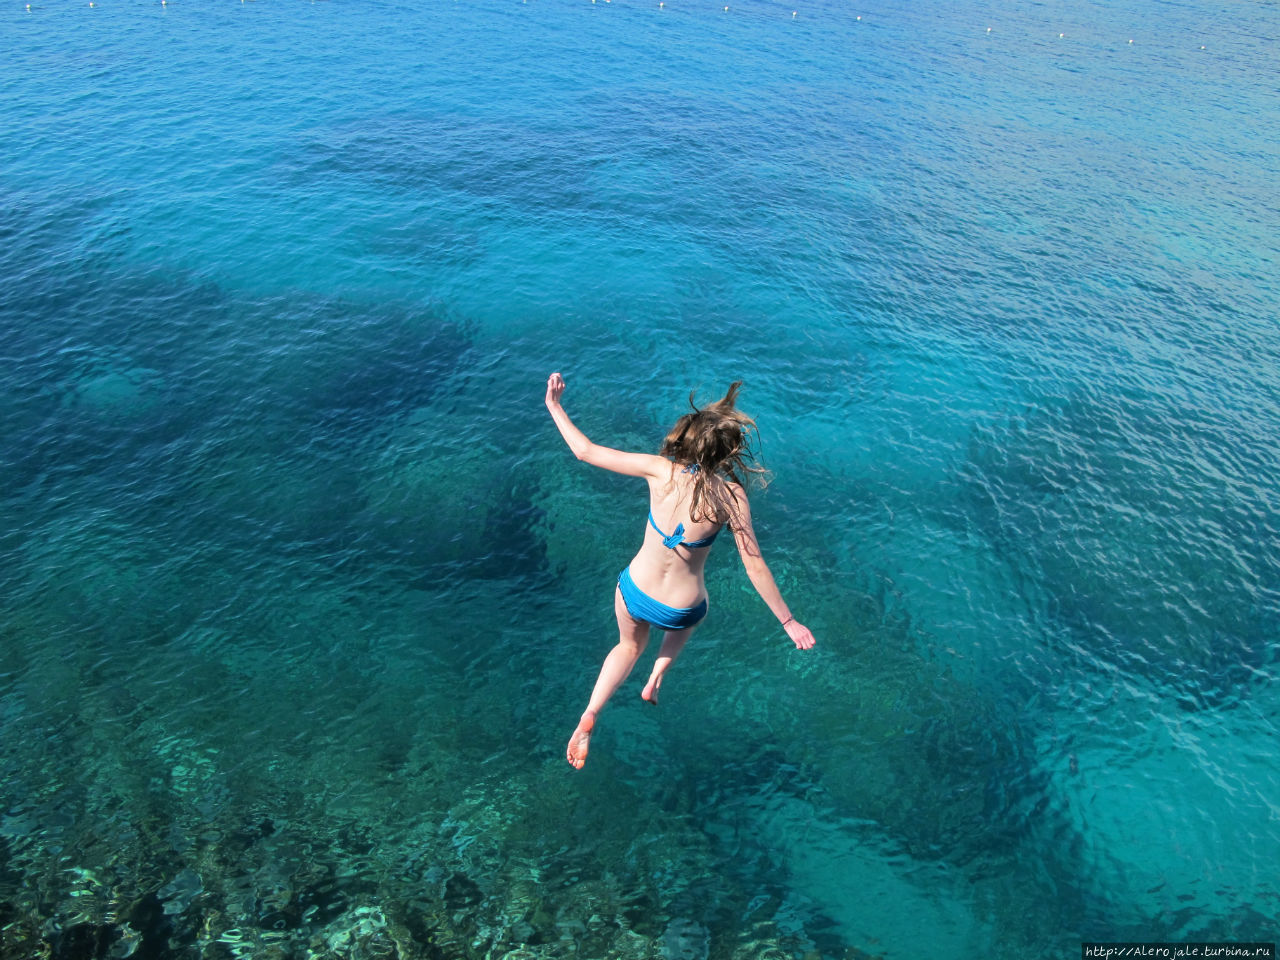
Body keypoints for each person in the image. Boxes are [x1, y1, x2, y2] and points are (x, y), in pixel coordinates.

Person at [544, 372, 816, 769]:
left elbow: (584, 450)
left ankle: (591, 712)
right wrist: (788, 621)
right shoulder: (732, 496)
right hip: (679, 609)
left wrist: (555, 405)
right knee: (694, 613)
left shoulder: (660, 470)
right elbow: (754, 564)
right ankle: (656, 676)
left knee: (627, 647)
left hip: (635, 591)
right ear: (726, 454)